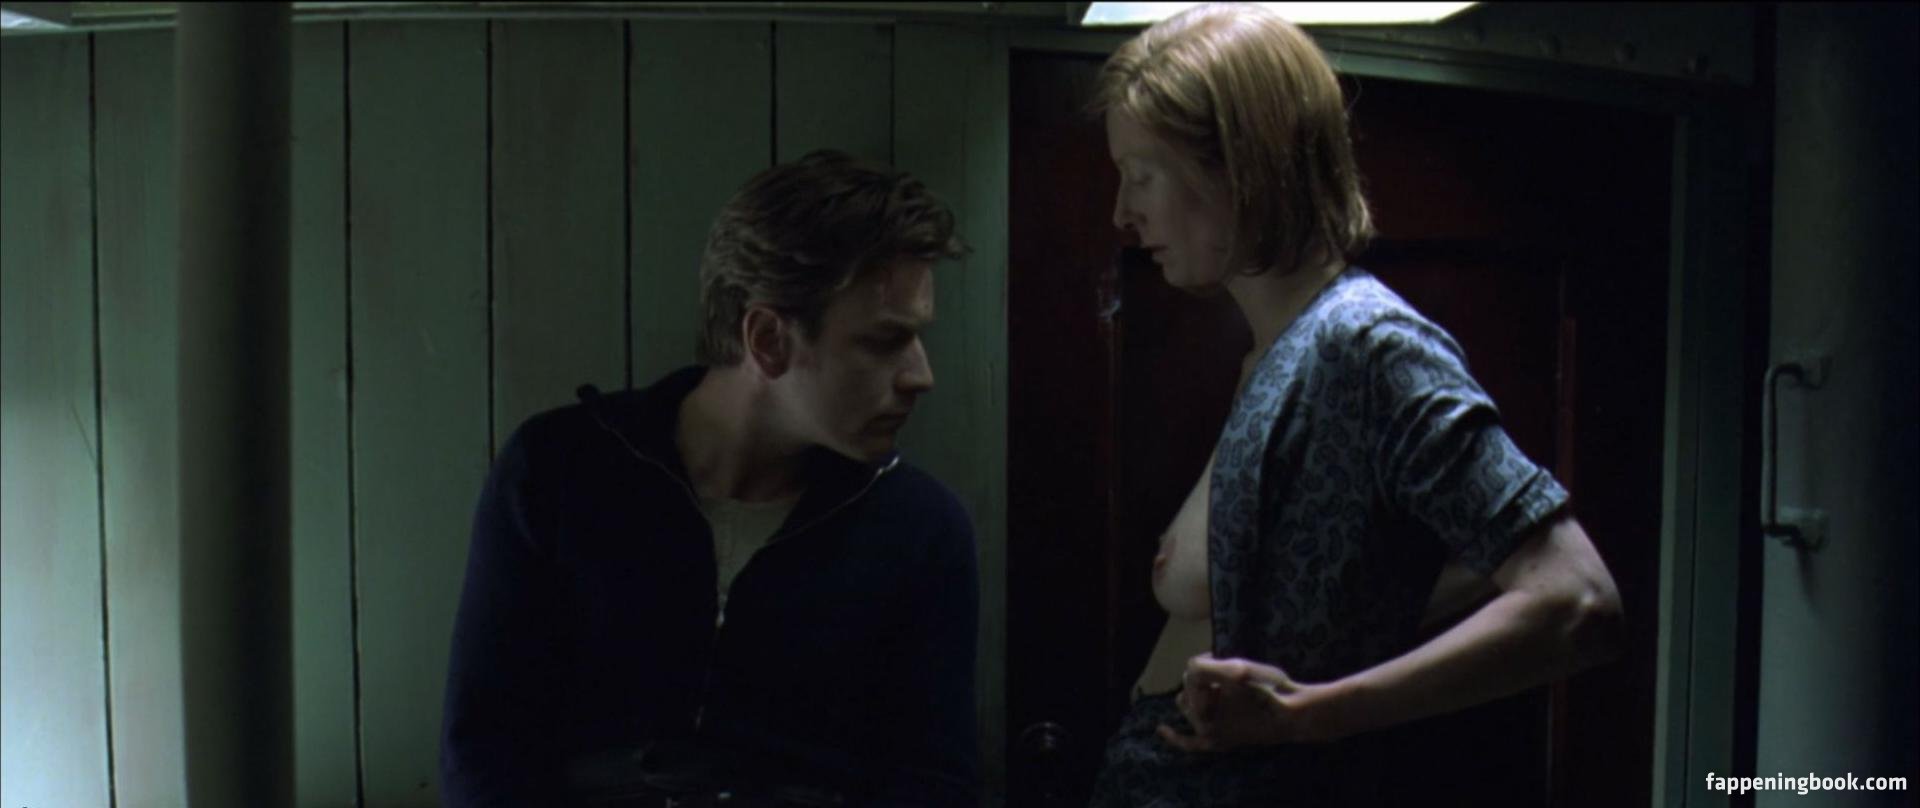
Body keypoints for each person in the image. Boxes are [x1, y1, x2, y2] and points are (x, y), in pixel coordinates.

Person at [1085, 4, 1626, 805]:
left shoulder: (1368, 345)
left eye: (1142, 174)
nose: (1123, 212)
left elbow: (1576, 600)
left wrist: (1311, 715)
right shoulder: (1280, 351)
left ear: (1238, 165)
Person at [439, 150, 981, 807]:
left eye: (918, 338)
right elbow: (485, 752)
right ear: (768, 340)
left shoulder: (919, 530)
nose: (921, 375)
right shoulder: (557, 472)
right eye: (884, 341)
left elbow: (933, 784)